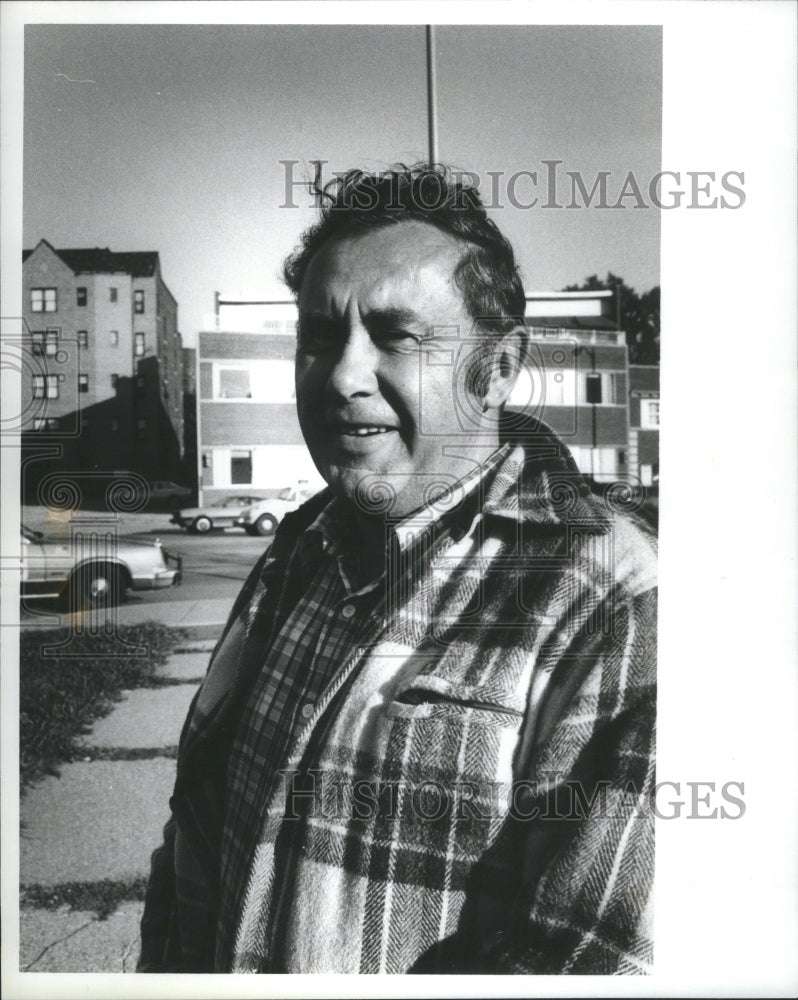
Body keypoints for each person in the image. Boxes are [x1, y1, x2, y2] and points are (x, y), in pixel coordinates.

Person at [138, 164, 657, 975]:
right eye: (318, 338)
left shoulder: (608, 598)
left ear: (500, 368)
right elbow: (193, 843)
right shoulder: (297, 554)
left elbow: (591, 958)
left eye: (396, 336)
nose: (342, 375)